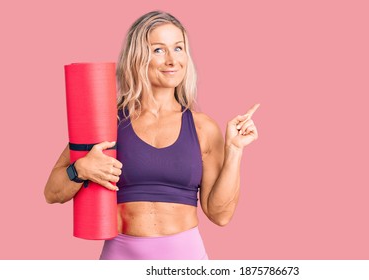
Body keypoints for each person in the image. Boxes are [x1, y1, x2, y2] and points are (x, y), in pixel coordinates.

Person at [44, 10, 259, 260]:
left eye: (178, 48)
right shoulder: (108, 122)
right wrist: (80, 169)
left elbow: (220, 215)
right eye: (159, 50)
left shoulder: (203, 128)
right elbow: (51, 192)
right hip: (120, 258)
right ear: (138, 57)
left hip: (185, 260)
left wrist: (235, 150)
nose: (172, 60)